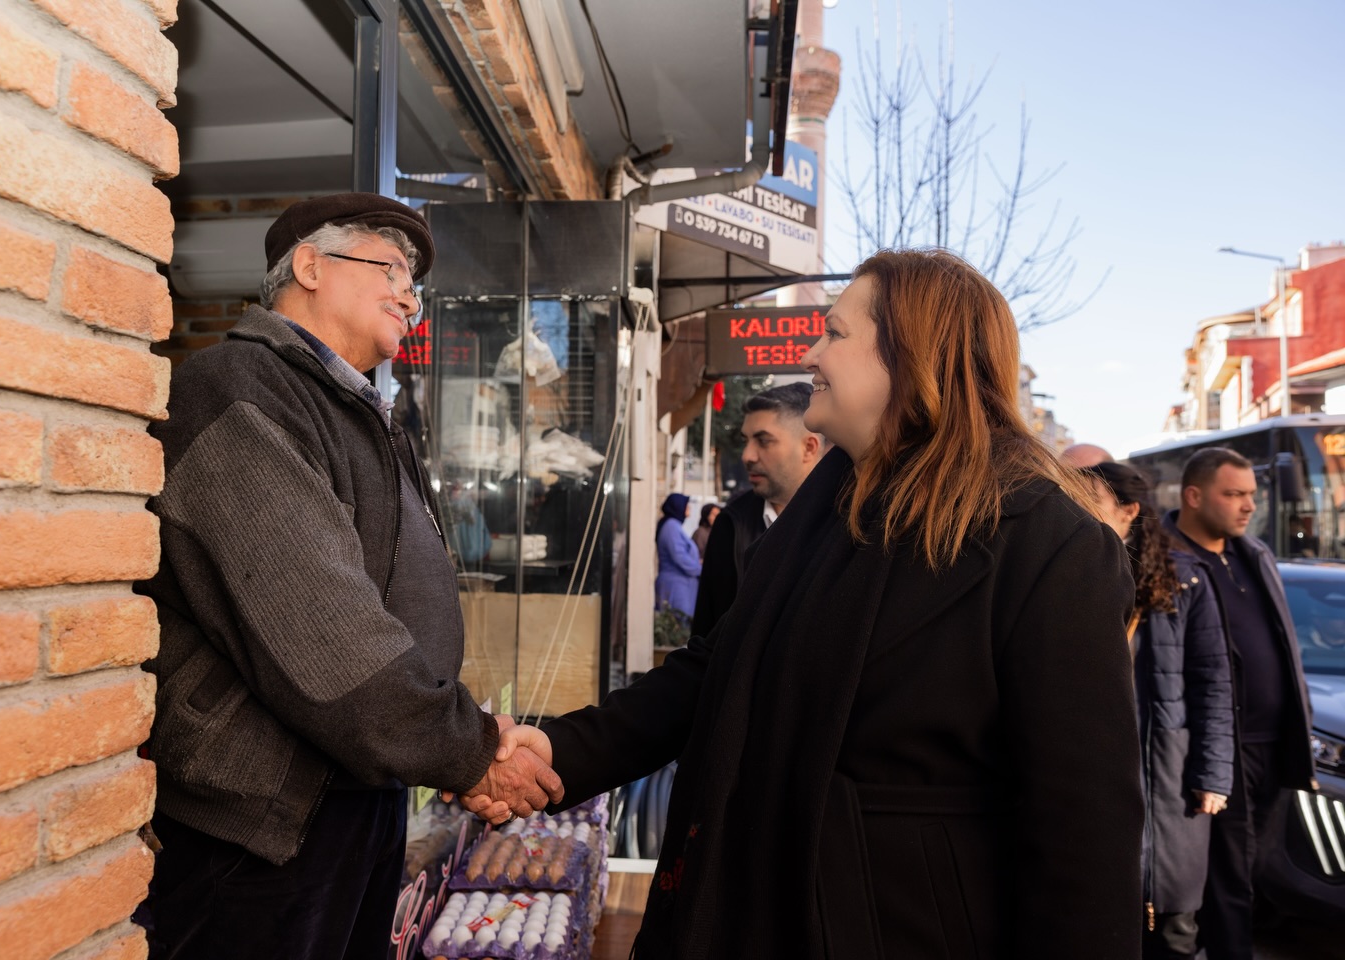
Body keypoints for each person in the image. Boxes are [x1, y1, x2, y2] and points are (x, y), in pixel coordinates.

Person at [470, 249, 1145, 958]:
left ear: (913, 356)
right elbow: (716, 671)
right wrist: (560, 749)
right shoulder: (826, 504)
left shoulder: (1048, 542)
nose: (811, 353)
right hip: (741, 916)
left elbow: (1085, 832)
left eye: (836, 333)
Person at [136, 193, 561, 960]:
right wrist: (471, 752)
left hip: (358, 792)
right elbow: (324, 632)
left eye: (414, 284)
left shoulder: (357, 408)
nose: (409, 296)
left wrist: (455, 741)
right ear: (309, 266)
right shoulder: (240, 385)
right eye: (391, 268)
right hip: (265, 822)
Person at [1162, 447, 1318, 960]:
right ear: (1193, 496)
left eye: (1251, 494)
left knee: (1249, 871)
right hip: (1214, 749)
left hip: (1273, 744)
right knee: (1228, 880)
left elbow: (1285, 644)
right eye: (1233, 494)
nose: (1249, 505)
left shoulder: (1255, 554)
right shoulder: (1165, 561)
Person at [1084, 462, 1234, 959]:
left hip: (1172, 776)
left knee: (1173, 921)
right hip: (1103, 772)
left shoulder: (1185, 579)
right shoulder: (1073, 572)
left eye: (1090, 502)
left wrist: (1214, 775)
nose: (1076, 511)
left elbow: (1214, 682)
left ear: (1128, 511)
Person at [692, 382, 825, 638]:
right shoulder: (730, 525)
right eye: (746, 441)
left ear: (809, 447)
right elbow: (707, 636)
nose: (747, 456)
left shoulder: (850, 524)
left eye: (763, 441)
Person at [655, 493, 701, 620]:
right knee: (678, 623)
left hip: (680, 585)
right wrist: (700, 569)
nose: (689, 508)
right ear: (678, 506)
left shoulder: (674, 525)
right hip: (676, 586)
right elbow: (680, 557)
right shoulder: (671, 527)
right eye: (686, 505)